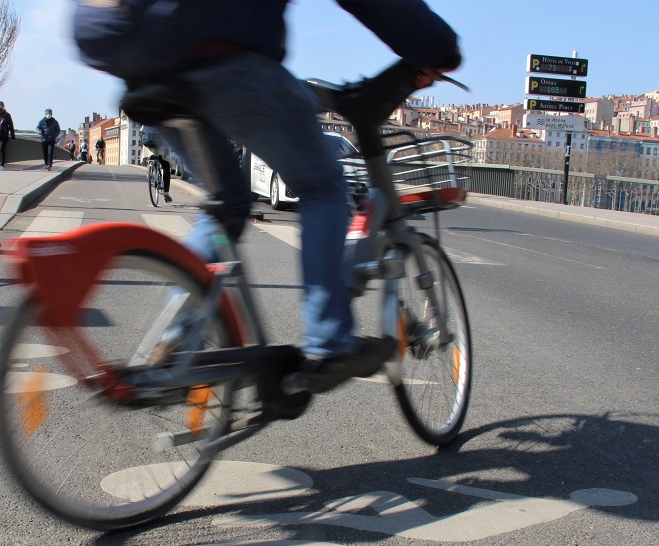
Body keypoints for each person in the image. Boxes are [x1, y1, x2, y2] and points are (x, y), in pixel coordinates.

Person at [74, 0, 460, 393]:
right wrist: (438, 47)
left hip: (146, 75)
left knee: (227, 202)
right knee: (322, 186)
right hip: (224, 56)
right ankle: (328, 341)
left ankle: (179, 336)